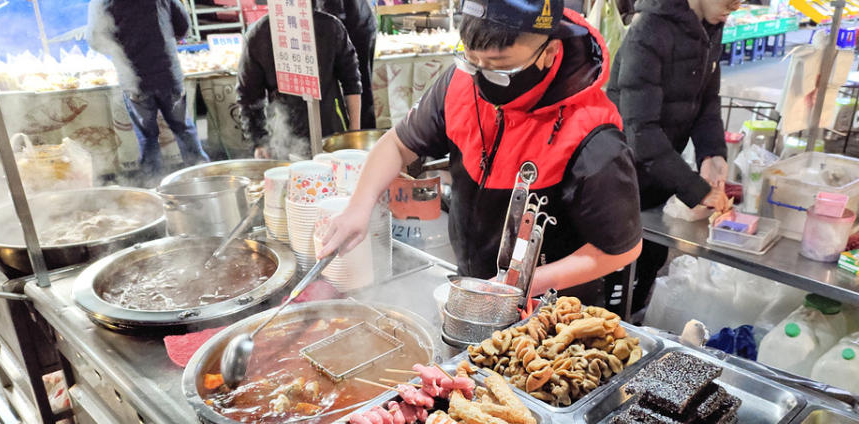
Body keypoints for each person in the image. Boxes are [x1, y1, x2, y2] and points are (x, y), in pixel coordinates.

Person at [319, 0, 643, 305]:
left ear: (549, 51)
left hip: (552, 307)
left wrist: (522, 283)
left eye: (499, 68)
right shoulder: (461, 83)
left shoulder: (593, 137)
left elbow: (620, 249)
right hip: (477, 286)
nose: (481, 78)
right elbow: (397, 144)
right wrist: (357, 207)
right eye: (472, 61)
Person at [607, 0, 736, 313]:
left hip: (658, 178)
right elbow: (640, 131)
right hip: (616, 175)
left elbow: (707, 103)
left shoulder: (710, 27)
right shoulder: (648, 30)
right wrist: (695, 189)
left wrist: (712, 155)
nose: (735, 5)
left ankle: (634, 326)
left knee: (651, 258)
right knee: (616, 273)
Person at [87, 0, 208, 183]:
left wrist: (122, 47)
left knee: (147, 136)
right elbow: (183, 27)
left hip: (135, 80)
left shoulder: (102, 2)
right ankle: (204, 178)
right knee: (184, 129)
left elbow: (96, 39)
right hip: (168, 74)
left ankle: (154, 184)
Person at [237, 13, 362, 159]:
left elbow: (352, 81)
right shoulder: (258, 34)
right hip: (283, 137)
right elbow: (248, 96)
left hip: (333, 133)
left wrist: (354, 131)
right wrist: (258, 142)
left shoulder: (330, 26)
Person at [317, 0, 378, 128]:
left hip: (356, 27)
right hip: (356, 21)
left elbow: (335, 13)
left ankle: (359, 136)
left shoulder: (333, 23)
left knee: (359, 86)